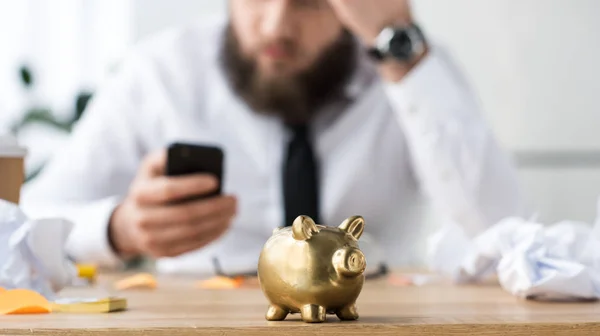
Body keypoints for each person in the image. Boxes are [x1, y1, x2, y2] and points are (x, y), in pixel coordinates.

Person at [21, 0, 525, 275]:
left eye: (310, 2)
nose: (276, 25)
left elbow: (505, 233)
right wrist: (119, 229)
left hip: (372, 333)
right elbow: (21, 226)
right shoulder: (161, 73)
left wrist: (401, 50)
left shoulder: (407, 69)